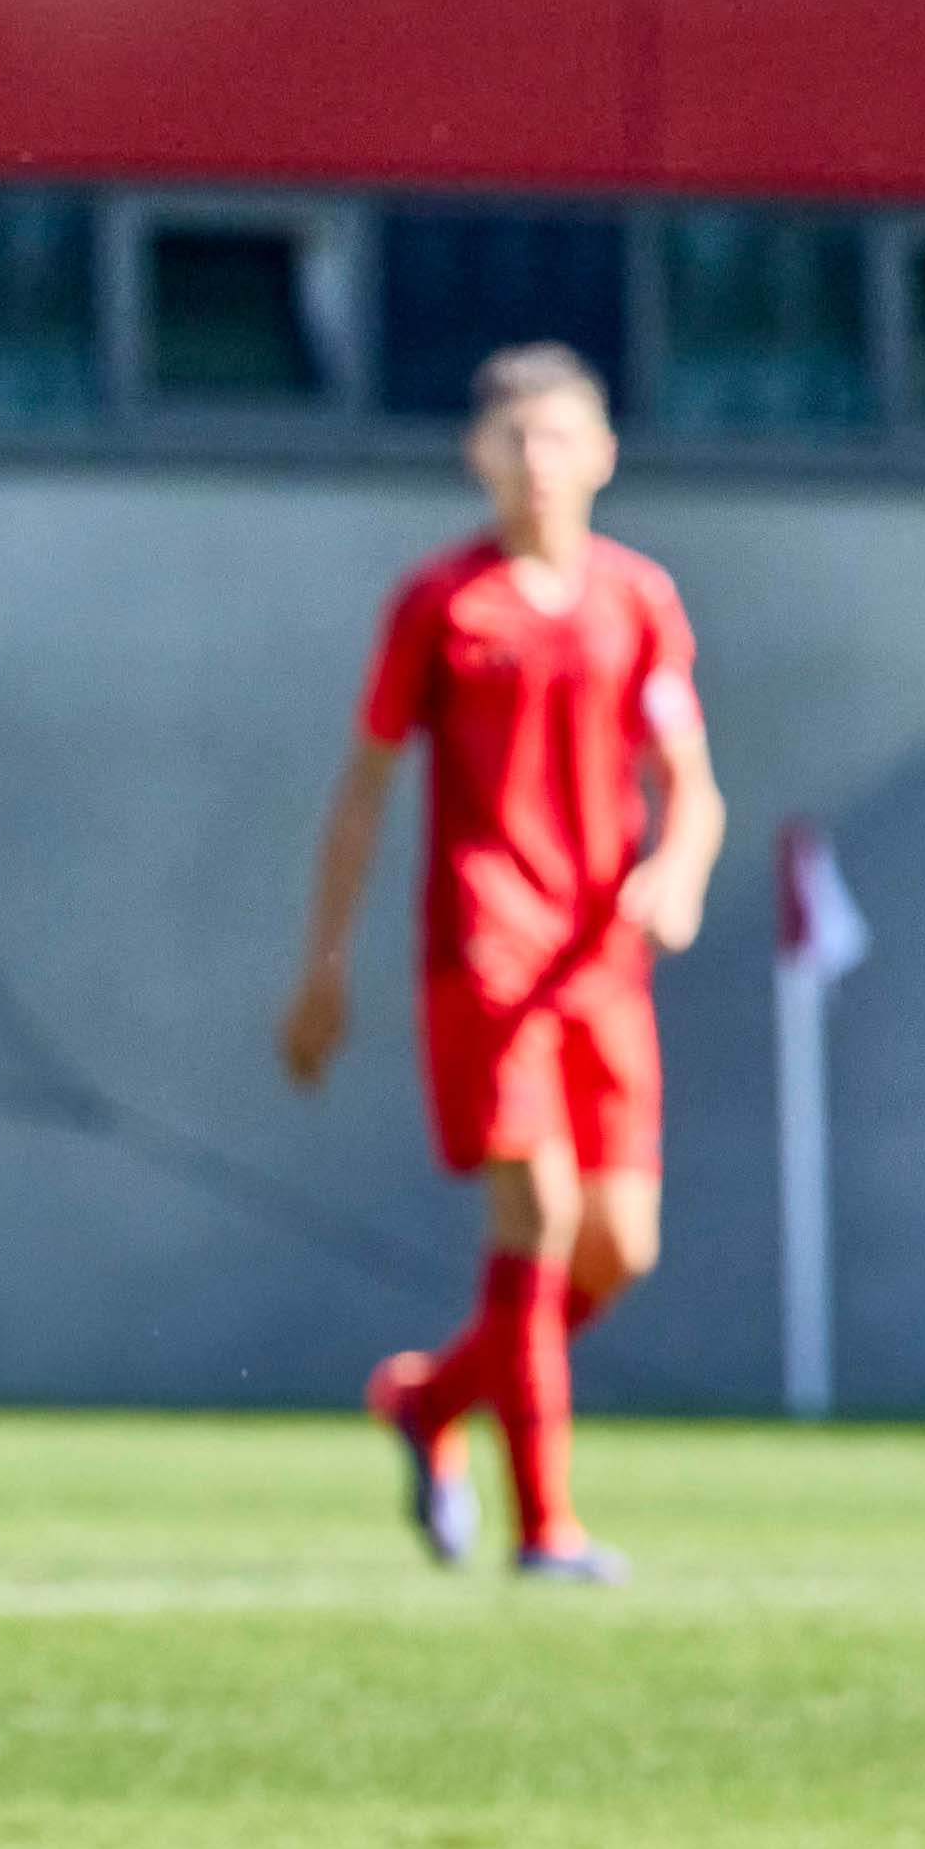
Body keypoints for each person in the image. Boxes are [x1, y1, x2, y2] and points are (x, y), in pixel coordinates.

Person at [281, 341, 726, 1584]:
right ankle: (548, 1530)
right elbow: (365, 791)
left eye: (558, 437)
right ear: (479, 455)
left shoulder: (639, 600)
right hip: (485, 945)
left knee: (619, 1247)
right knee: (538, 1216)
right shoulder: (442, 604)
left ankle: (433, 1400)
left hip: (602, 961)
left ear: (602, 454)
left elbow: (691, 789)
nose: (535, 461)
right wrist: (325, 964)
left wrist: (677, 873)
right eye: (513, 439)